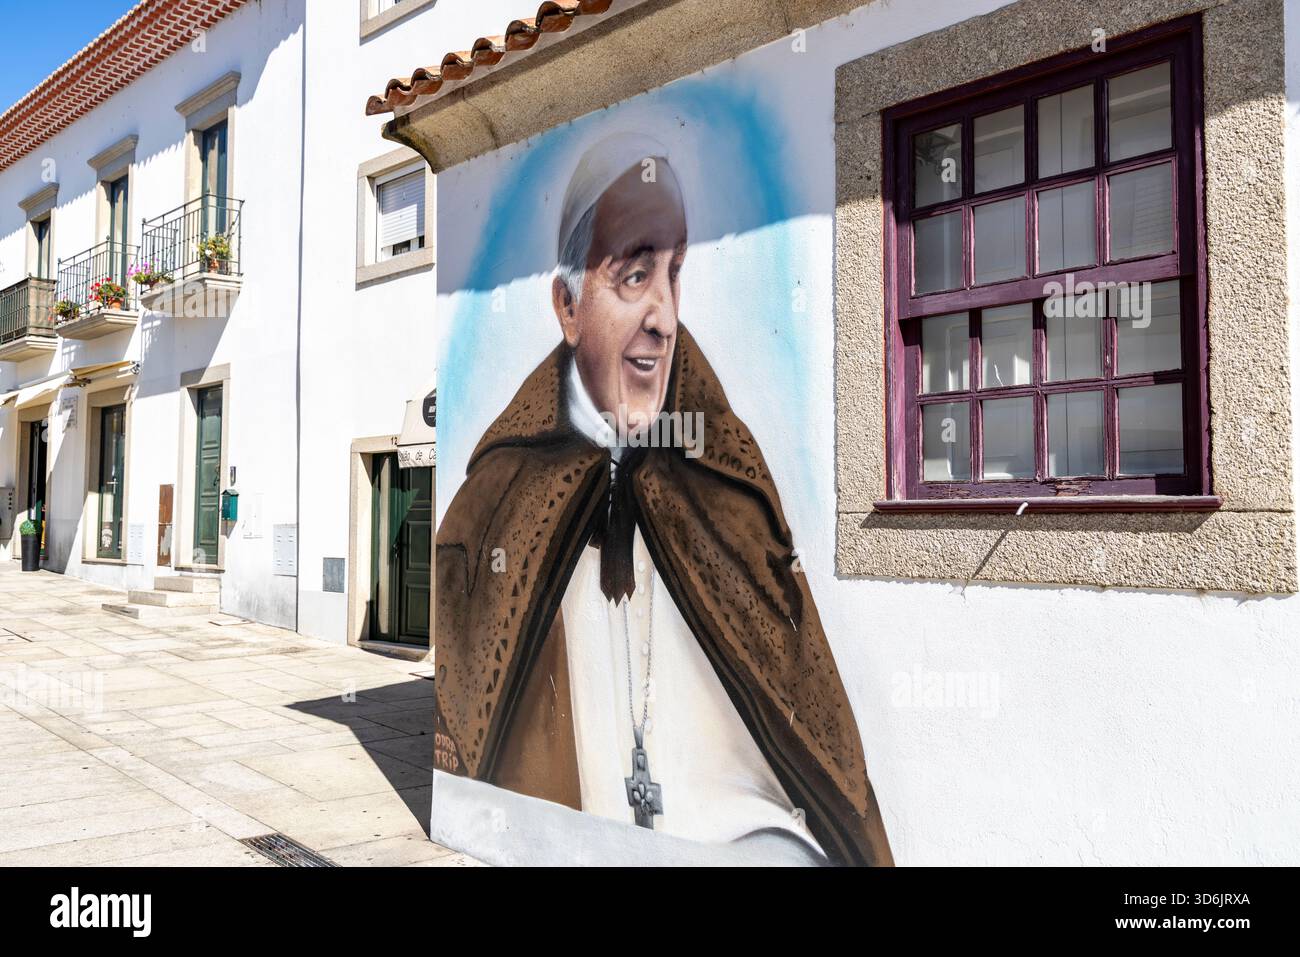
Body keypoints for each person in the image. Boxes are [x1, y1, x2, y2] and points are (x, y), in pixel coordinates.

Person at [434, 133, 893, 866]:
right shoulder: (495, 497)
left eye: (673, 274)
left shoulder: (728, 482)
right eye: (633, 274)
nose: (664, 315)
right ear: (566, 304)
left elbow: (816, 757)